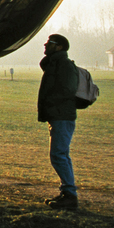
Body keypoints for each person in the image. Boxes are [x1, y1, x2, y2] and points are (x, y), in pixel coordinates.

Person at [38, 33, 79, 210]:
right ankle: (67, 193)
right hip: (57, 115)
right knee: (61, 155)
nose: (46, 45)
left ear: (60, 47)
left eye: (50, 43)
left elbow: (67, 90)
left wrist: (50, 103)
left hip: (62, 115)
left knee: (59, 155)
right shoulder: (54, 64)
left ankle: (70, 195)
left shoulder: (64, 65)